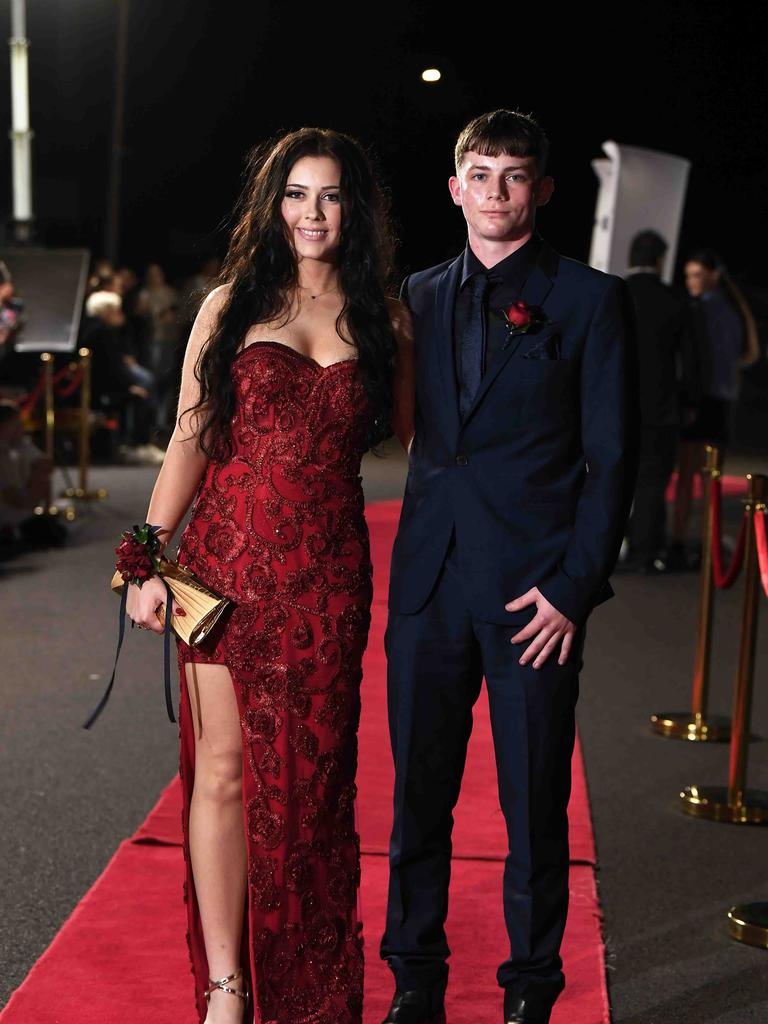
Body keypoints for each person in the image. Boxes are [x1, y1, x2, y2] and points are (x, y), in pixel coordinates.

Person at [121, 127, 411, 1024]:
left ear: (354, 206)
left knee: (317, 789)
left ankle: (310, 983)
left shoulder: (386, 318)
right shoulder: (230, 304)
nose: (311, 213)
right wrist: (145, 558)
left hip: (329, 583)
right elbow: (190, 440)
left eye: (328, 195)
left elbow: (428, 449)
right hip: (226, 573)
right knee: (223, 775)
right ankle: (226, 986)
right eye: (295, 194)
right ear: (271, 203)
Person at [381, 110, 637, 1024]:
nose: (496, 191)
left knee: (533, 806)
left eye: (514, 175)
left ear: (544, 189)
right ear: (454, 188)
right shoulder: (416, 292)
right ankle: (415, 976)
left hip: (536, 594)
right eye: (480, 174)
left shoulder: (590, 300)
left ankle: (531, 987)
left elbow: (613, 462)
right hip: (426, 586)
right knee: (418, 798)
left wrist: (573, 590)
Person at [669, 248, 760, 568]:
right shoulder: (734, 310)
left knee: (687, 476)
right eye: (688, 276)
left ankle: (680, 538)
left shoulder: (701, 310)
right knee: (710, 477)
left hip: (701, 400)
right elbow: (745, 354)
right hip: (722, 402)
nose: (691, 282)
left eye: (696, 275)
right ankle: (706, 539)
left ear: (713, 276)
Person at [620, 230, 698, 572]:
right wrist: (690, 403)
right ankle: (643, 551)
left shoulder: (614, 293)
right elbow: (691, 359)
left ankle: (605, 551)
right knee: (652, 482)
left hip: (614, 404)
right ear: (660, 260)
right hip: (660, 407)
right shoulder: (673, 300)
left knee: (613, 479)